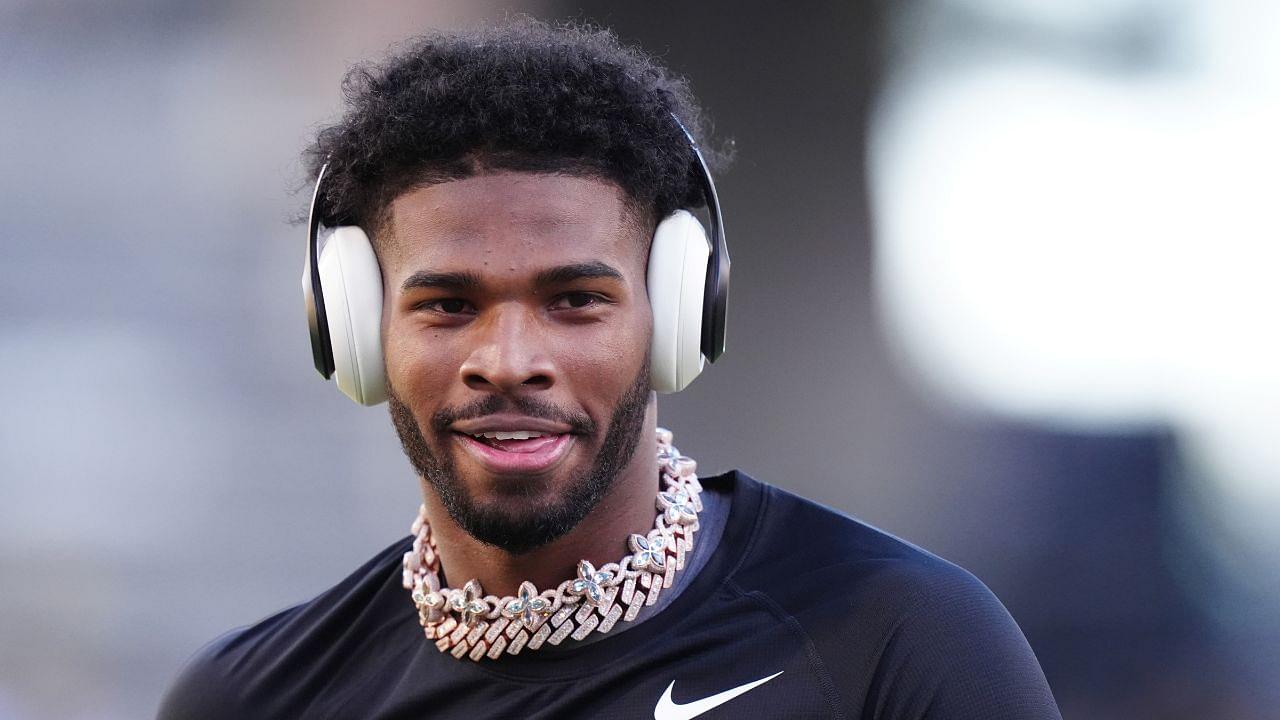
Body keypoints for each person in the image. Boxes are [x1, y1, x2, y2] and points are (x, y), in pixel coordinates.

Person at [158, 18, 1061, 720]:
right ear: (355, 330)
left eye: (575, 301)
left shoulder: (897, 640)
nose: (508, 362)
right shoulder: (256, 699)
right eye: (447, 305)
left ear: (676, 311)